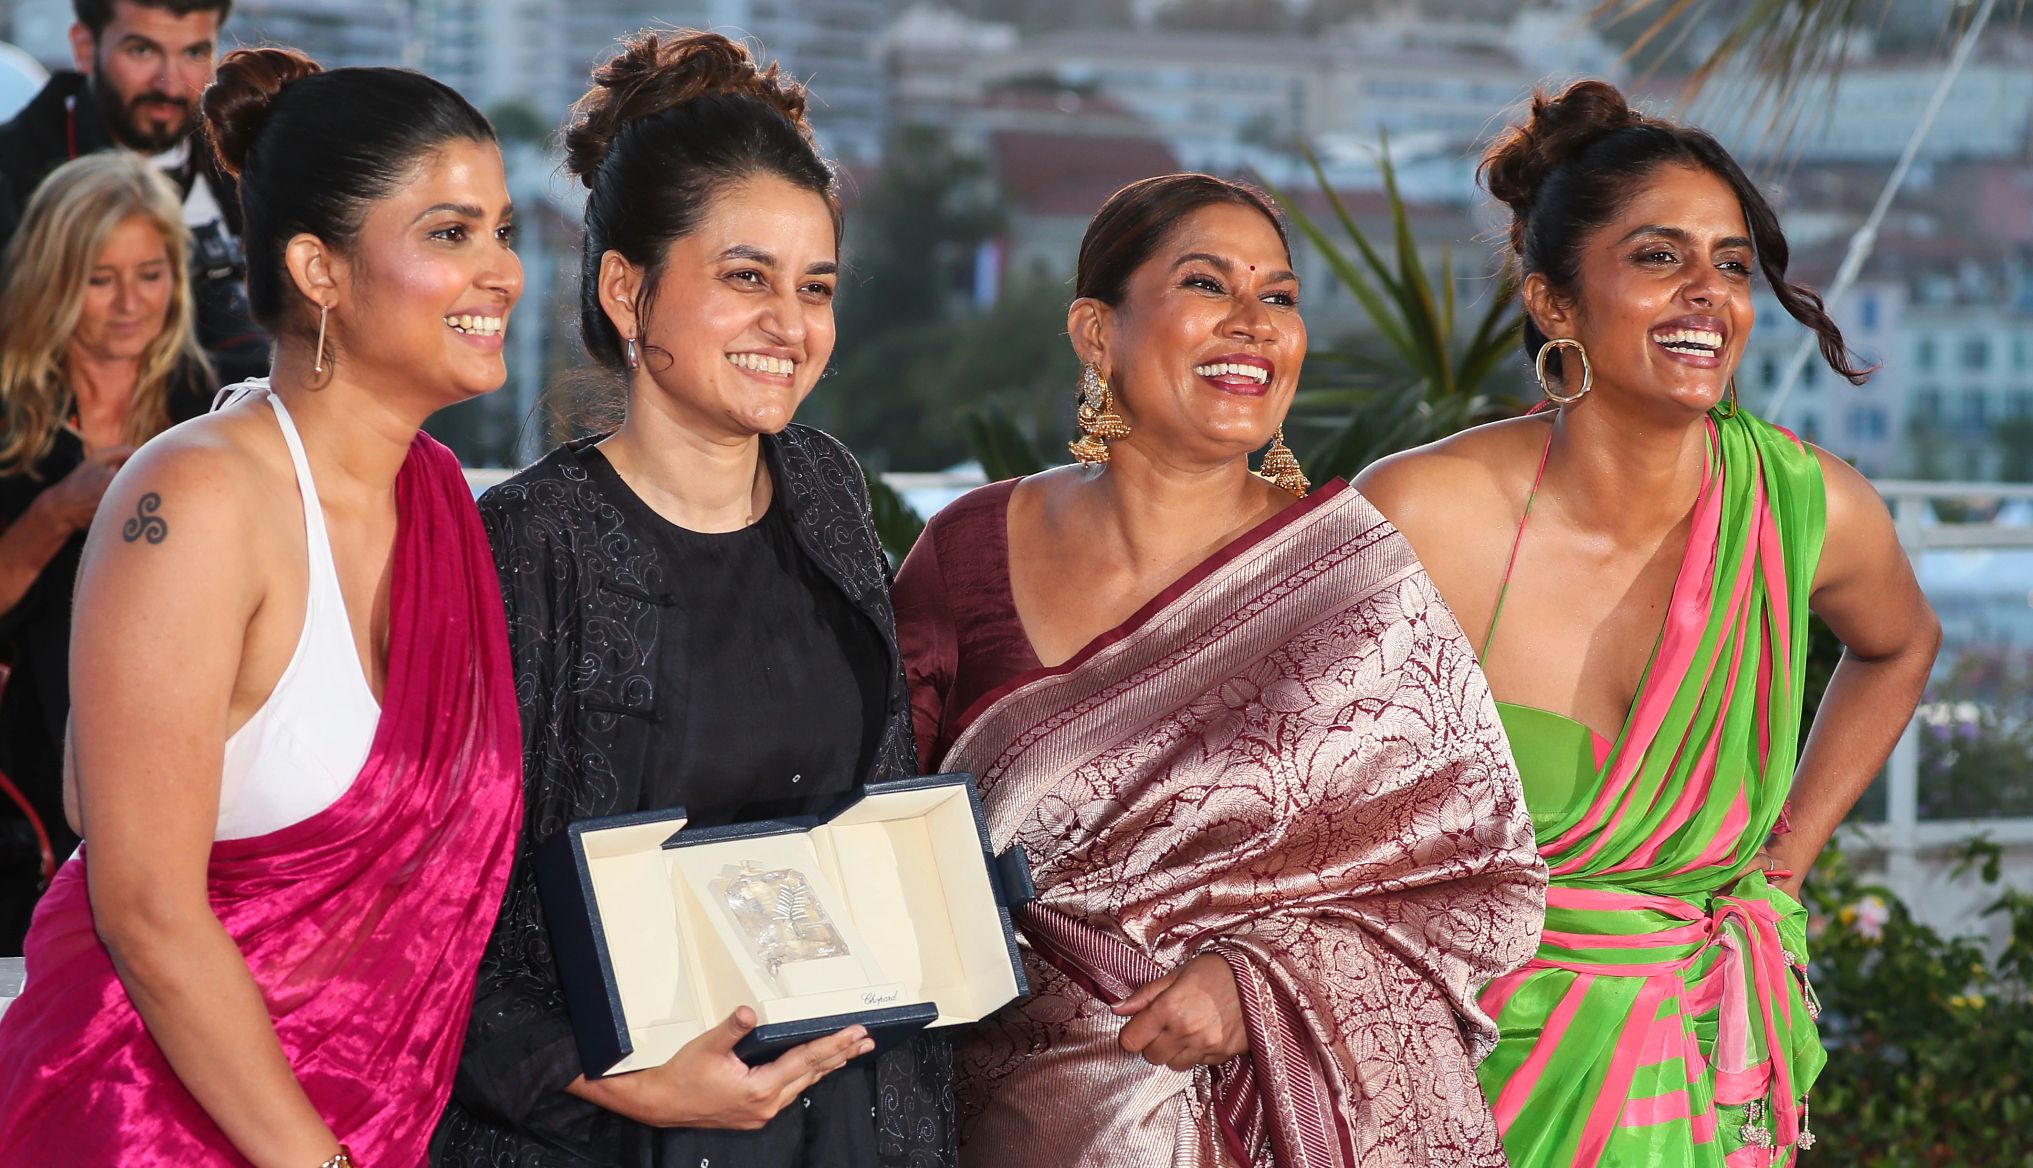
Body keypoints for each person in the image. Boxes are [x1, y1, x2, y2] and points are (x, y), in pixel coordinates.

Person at [892, 172, 1548, 1167]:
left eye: (1277, 298)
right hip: (1008, 1123)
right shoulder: (966, 550)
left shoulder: (1354, 590)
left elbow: (1478, 881)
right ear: (1094, 332)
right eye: (1207, 285)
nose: (1252, 324)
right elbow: (878, 838)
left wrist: (1255, 986)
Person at [1356, 80, 1941, 1168]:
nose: (1705, 295)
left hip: (1703, 1080)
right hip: (1458, 1071)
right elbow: (1290, 790)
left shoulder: (1804, 510)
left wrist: (1782, 860)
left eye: (1728, 262)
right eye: (1657, 257)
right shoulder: (1421, 515)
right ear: (1552, 303)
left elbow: (1900, 645)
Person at [431, 30, 953, 1168]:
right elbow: (422, 922)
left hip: (838, 1124)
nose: (790, 323)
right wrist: (613, 1077)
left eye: (813, 287)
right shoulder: (524, 543)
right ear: (627, 287)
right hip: (607, 1135)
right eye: (744, 278)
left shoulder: (823, 489)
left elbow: (873, 804)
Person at [0, 46, 525, 1167]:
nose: (502, 272)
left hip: (370, 1128)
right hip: (144, 1124)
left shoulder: (437, 498)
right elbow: (142, 906)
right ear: (318, 268)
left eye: (502, 229)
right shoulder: (193, 499)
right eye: (449, 232)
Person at [0, 150, 212, 952]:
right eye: (100, 278)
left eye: (150, 273)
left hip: (180, 770)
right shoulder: (9, 412)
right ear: (54, 278)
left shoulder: (215, 405)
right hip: (26, 789)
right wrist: (57, 510)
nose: (131, 304)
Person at [0, 0, 266, 382]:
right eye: (141, 51)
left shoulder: (252, 161)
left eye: (194, 52)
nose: (170, 84)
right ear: (85, 48)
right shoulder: (12, 178)